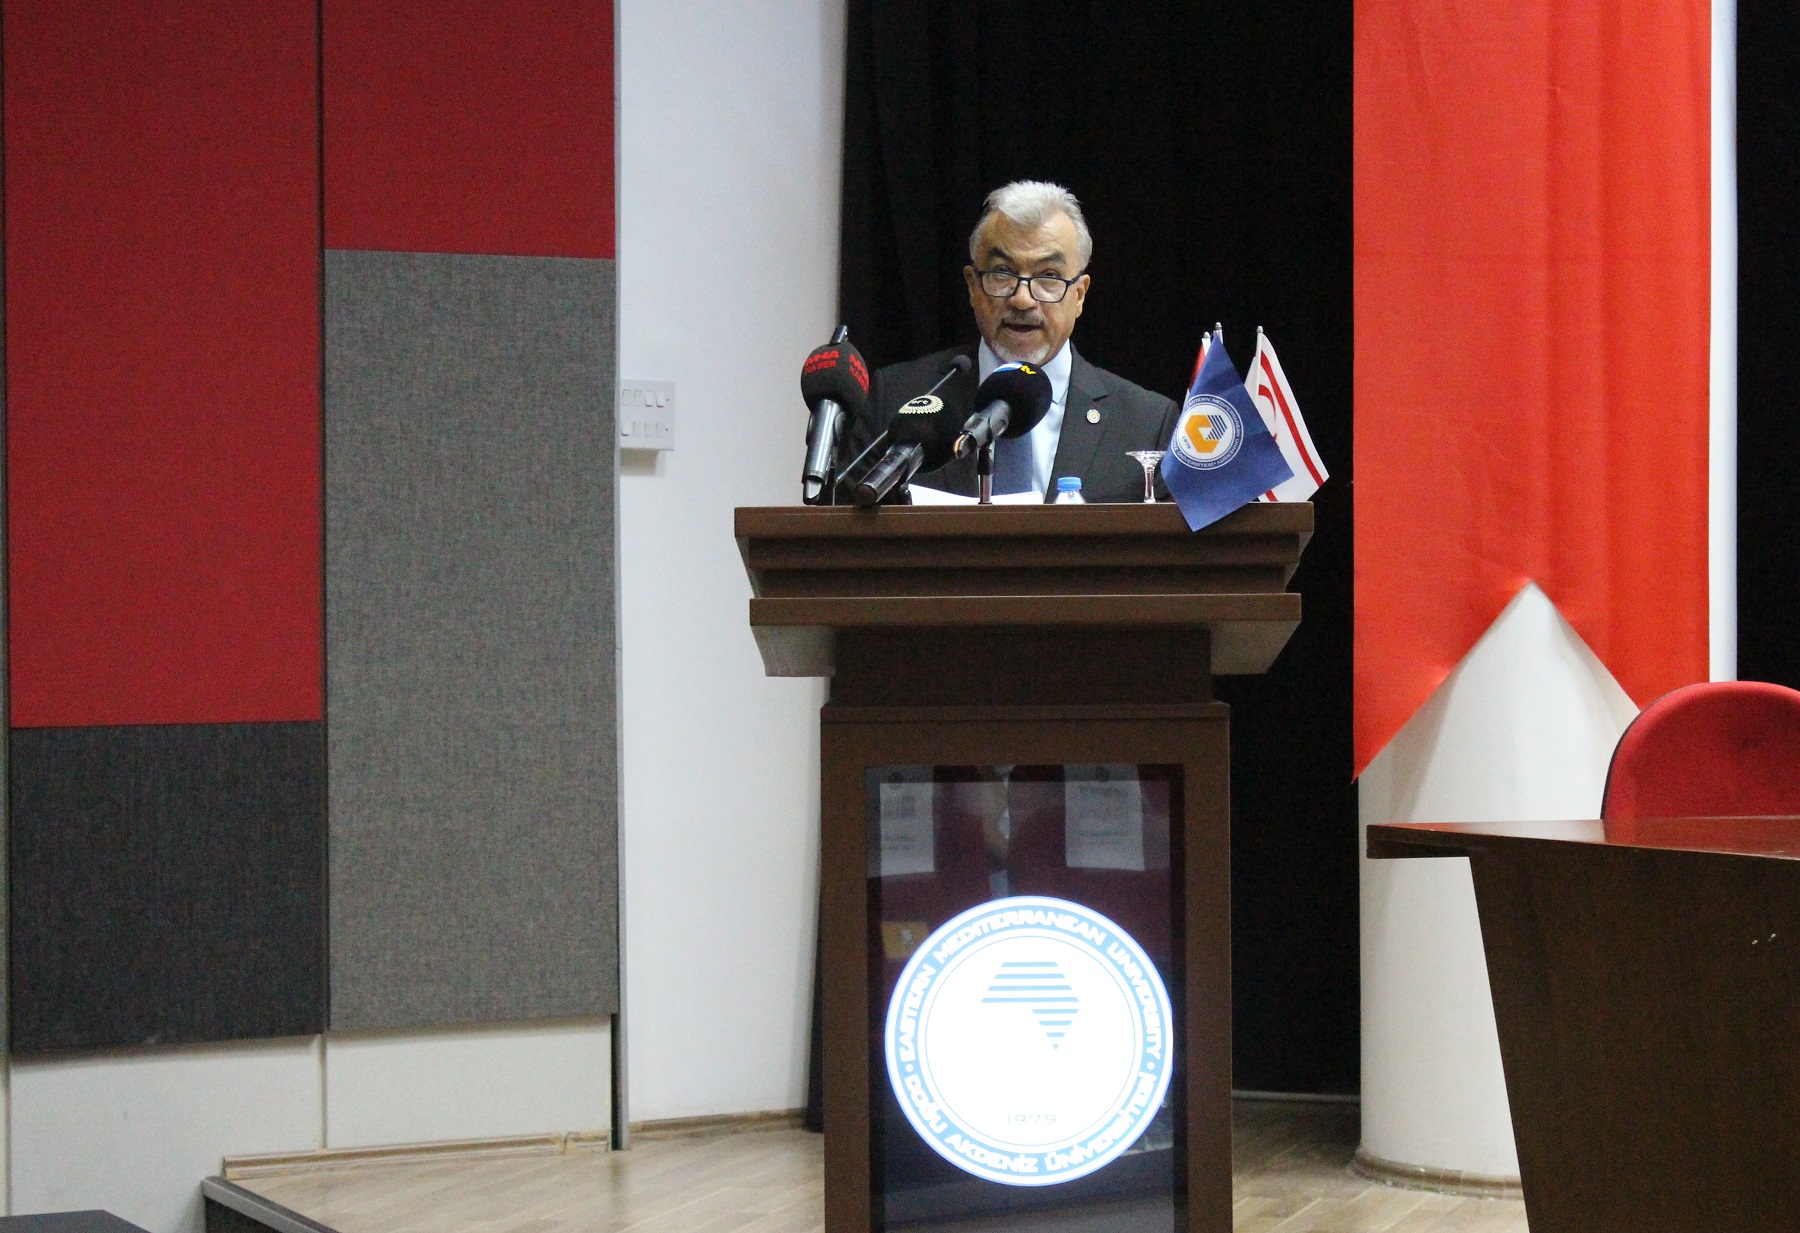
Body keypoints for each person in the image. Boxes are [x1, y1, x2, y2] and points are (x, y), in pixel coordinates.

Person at [847, 181, 1178, 503]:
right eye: (1002, 272)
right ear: (973, 286)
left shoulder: (1147, 424)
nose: (1022, 299)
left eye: (1048, 276)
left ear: (1079, 295)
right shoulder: (897, 399)